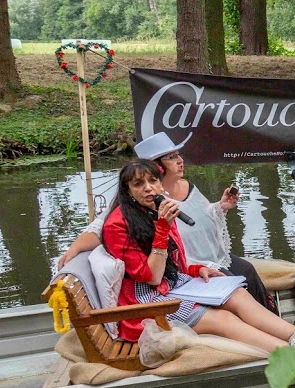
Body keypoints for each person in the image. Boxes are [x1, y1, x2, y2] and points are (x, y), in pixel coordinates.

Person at [102, 159, 295, 351]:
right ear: (127, 191)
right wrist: (163, 228)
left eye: (153, 180)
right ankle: (293, 356)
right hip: (145, 303)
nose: (148, 188)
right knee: (224, 319)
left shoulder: (158, 209)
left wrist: (197, 269)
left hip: (174, 285)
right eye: (138, 184)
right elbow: (152, 277)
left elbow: (175, 263)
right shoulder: (117, 225)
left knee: (237, 294)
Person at [58, 133, 274, 311]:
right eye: (171, 157)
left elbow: (203, 216)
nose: (180, 160)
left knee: (247, 269)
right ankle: (256, 326)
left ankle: (271, 316)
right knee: (231, 283)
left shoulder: (186, 185)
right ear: (157, 166)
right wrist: (74, 248)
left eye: (178, 155)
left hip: (210, 255)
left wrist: (221, 206)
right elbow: (99, 228)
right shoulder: (143, 199)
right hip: (185, 264)